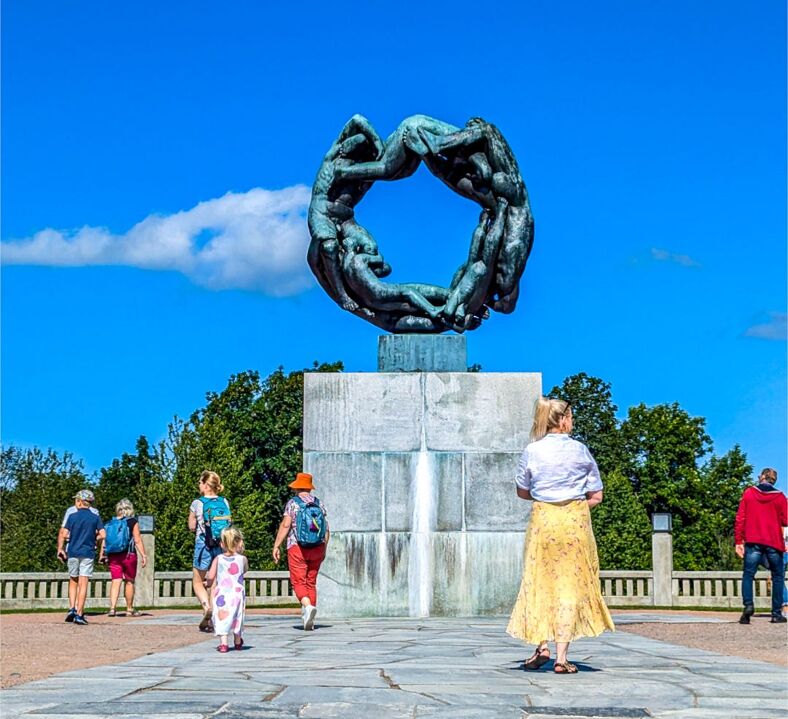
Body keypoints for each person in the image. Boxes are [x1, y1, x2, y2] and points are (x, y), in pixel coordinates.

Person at [506, 397, 615, 674]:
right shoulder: (580, 450)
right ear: (563, 420)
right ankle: (561, 657)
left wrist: (546, 498)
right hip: (574, 523)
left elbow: (521, 491)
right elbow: (596, 495)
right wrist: (572, 505)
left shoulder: (532, 451)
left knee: (538, 582)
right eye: (571, 417)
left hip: (543, 521)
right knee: (570, 587)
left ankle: (541, 645)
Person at [273, 472, 329, 631]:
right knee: (311, 582)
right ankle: (309, 617)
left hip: (297, 547)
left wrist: (277, 545)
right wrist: (324, 548)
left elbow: (285, 526)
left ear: (297, 487)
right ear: (309, 488)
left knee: (298, 581)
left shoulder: (293, 503)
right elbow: (326, 529)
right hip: (317, 547)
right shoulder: (319, 504)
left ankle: (307, 607)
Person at [734, 467, 787, 624]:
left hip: (753, 541)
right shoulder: (780, 497)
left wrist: (738, 541)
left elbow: (740, 518)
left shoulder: (749, 493)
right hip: (773, 542)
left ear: (763, 477)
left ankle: (748, 606)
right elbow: (786, 520)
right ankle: (776, 613)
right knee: (778, 576)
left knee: (748, 574)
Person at [188, 470, 232, 632]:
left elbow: (192, 526)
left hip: (203, 543)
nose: (198, 485)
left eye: (200, 483)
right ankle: (213, 617)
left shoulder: (197, 503)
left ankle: (207, 607)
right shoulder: (224, 501)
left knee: (198, 580)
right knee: (215, 581)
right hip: (221, 544)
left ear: (206, 485)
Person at [56, 490, 106, 625]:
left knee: (73, 580)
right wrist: (92, 537)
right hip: (87, 552)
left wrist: (74, 537)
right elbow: (103, 534)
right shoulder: (95, 517)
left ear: (80, 501)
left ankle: (71, 608)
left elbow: (64, 534)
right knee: (83, 583)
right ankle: (79, 613)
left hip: (72, 551)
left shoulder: (72, 516)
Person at [99, 499, 148, 617]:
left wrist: (102, 554)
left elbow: (105, 540)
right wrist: (144, 555)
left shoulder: (111, 523)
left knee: (116, 580)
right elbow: (137, 540)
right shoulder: (132, 521)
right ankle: (129, 609)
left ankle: (112, 608)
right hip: (129, 555)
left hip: (113, 555)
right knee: (129, 581)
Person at [204, 526, 248, 653]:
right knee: (237, 616)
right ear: (239, 542)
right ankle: (238, 641)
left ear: (222, 544)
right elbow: (245, 570)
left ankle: (223, 643)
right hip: (237, 593)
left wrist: (208, 582)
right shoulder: (242, 559)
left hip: (222, 593)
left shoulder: (218, 559)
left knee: (222, 616)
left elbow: (211, 576)